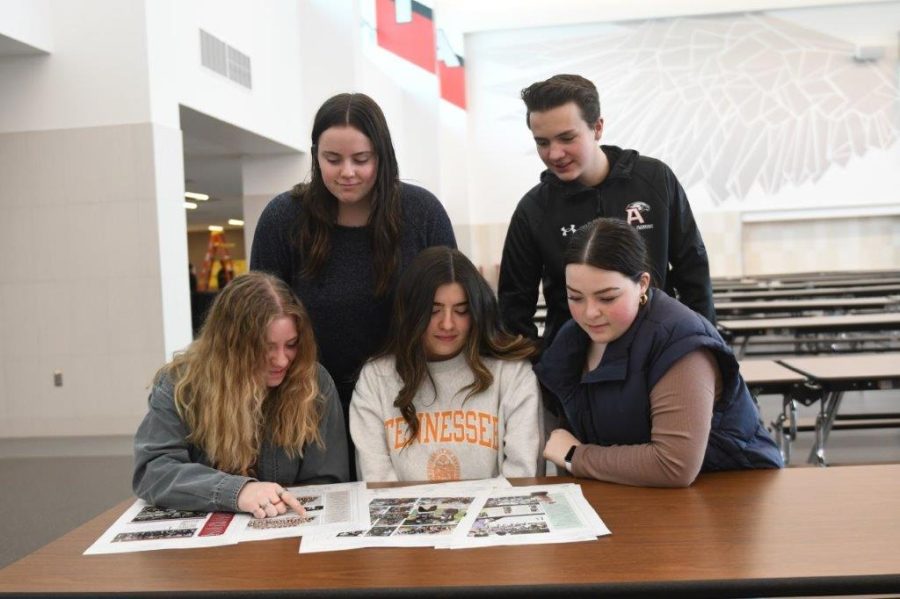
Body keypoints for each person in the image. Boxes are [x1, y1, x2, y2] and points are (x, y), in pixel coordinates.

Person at [251, 93, 456, 477]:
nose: (347, 172)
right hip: (307, 401)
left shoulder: (421, 213)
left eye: (361, 160)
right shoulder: (284, 218)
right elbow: (259, 316)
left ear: (382, 156)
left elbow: (453, 308)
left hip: (408, 401)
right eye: (332, 159)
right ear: (315, 156)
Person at [536, 218, 782, 487]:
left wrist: (576, 456)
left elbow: (674, 464)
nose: (590, 312)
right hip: (638, 492)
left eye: (607, 298)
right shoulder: (572, 338)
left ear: (642, 284)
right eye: (575, 297)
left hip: (730, 492)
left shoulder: (681, 339)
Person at [499, 74, 715, 350]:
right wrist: (539, 368)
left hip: (657, 351)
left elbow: (693, 269)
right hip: (576, 367)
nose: (554, 154)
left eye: (567, 138)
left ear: (598, 127)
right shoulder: (533, 209)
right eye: (542, 142)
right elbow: (513, 308)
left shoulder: (654, 180)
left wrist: (705, 345)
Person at [133, 272, 349, 517]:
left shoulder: (313, 382)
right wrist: (238, 492)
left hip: (286, 530)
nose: (281, 360)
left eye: (291, 344)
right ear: (232, 346)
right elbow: (153, 470)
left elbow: (328, 481)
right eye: (266, 348)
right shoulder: (181, 384)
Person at [350, 247, 543, 482]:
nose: (448, 324)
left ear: (476, 311)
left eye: (461, 311)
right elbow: (377, 482)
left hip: (489, 517)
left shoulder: (511, 373)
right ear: (412, 312)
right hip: (408, 517)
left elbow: (522, 477)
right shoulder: (376, 378)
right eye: (433, 311)